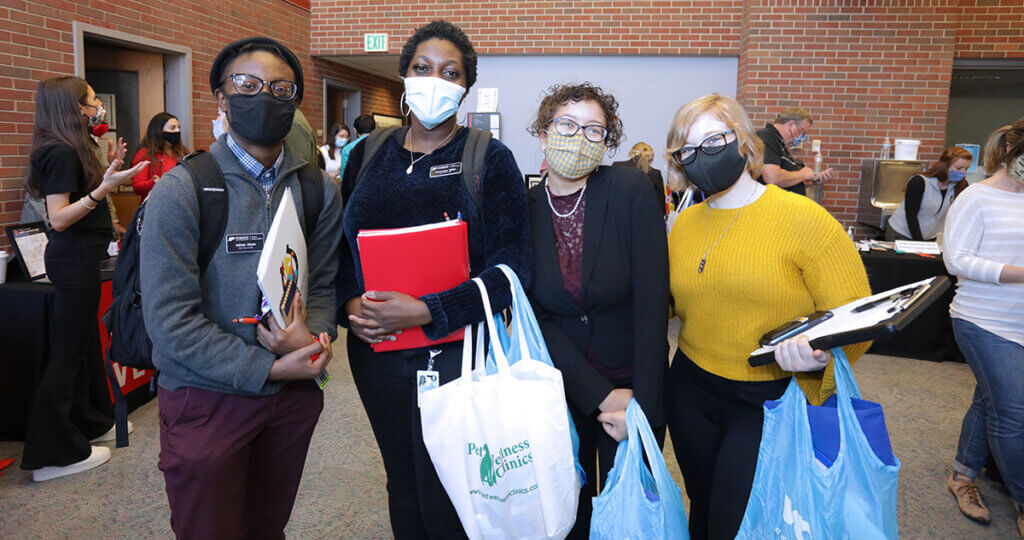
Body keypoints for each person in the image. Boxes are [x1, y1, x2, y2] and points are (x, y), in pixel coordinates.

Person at [139, 37, 342, 537]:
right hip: (205, 397)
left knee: (267, 525)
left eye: (280, 88)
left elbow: (322, 287)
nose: (264, 96)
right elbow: (169, 322)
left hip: (290, 399)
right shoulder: (183, 190)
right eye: (248, 85)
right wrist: (269, 364)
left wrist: (312, 340)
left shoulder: (318, 190)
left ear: (294, 102)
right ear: (222, 100)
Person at [336, 20, 531, 538]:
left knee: (449, 484)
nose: (434, 80)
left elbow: (513, 272)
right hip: (377, 352)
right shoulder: (368, 154)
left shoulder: (489, 158)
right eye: (422, 68)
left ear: (464, 87)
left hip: (457, 353)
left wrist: (428, 310)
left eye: (450, 72)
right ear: (404, 76)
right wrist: (350, 306)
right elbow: (338, 250)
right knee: (400, 478)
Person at [664, 94, 871, 539]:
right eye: (688, 149)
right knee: (701, 505)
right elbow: (676, 303)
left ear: (744, 141)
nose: (702, 156)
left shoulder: (804, 219)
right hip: (689, 390)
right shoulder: (683, 224)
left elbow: (856, 318)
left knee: (736, 520)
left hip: (767, 399)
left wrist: (820, 361)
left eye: (715, 139)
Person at [525, 82, 669, 538]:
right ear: (544, 134)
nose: (579, 137)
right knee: (566, 511)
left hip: (634, 383)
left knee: (628, 516)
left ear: (606, 143)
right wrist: (599, 394)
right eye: (567, 124)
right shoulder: (521, 207)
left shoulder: (629, 189)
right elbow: (531, 316)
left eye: (594, 130)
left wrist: (640, 406)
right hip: (561, 385)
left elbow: (653, 303)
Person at [20, 76, 149, 482]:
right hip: (72, 260)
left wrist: (107, 171)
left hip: (85, 258)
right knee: (68, 354)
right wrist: (102, 190)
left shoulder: (74, 148)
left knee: (88, 345)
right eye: (92, 99)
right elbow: (58, 218)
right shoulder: (58, 151)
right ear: (74, 107)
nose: (98, 105)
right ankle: (51, 454)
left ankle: (93, 421)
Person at [942, 121, 1024, 538]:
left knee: (989, 401)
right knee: (1013, 413)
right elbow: (957, 261)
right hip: (982, 320)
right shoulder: (976, 197)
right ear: (1012, 149)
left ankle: (962, 475)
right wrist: (1019, 274)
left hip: (1019, 322)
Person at [886, 145, 972, 241]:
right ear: (945, 165)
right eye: (959, 168)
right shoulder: (920, 182)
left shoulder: (960, 186)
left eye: (966, 169)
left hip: (929, 236)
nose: (963, 172)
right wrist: (920, 244)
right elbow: (911, 216)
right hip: (901, 233)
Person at [755, 107, 833, 196]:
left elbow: (787, 181)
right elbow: (772, 178)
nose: (802, 137)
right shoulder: (767, 136)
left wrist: (814, 181)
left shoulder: (782, 144)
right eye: (802, 131)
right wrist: (803, 174)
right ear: (791, 124)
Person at [131, 112, 189, 202]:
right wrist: (155, 182)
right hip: (156, 205)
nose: (177, 131)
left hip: (181, 205)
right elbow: (138, 187)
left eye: (179, 127)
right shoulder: (145, 154)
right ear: (159, 131)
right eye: (172, 128)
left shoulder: (184, 153)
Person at [613, 141, 667, 215]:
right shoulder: (655, 174)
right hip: (646, 220)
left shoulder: (616, 167)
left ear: (632, 153)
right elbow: (661, 208)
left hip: (619, 217)